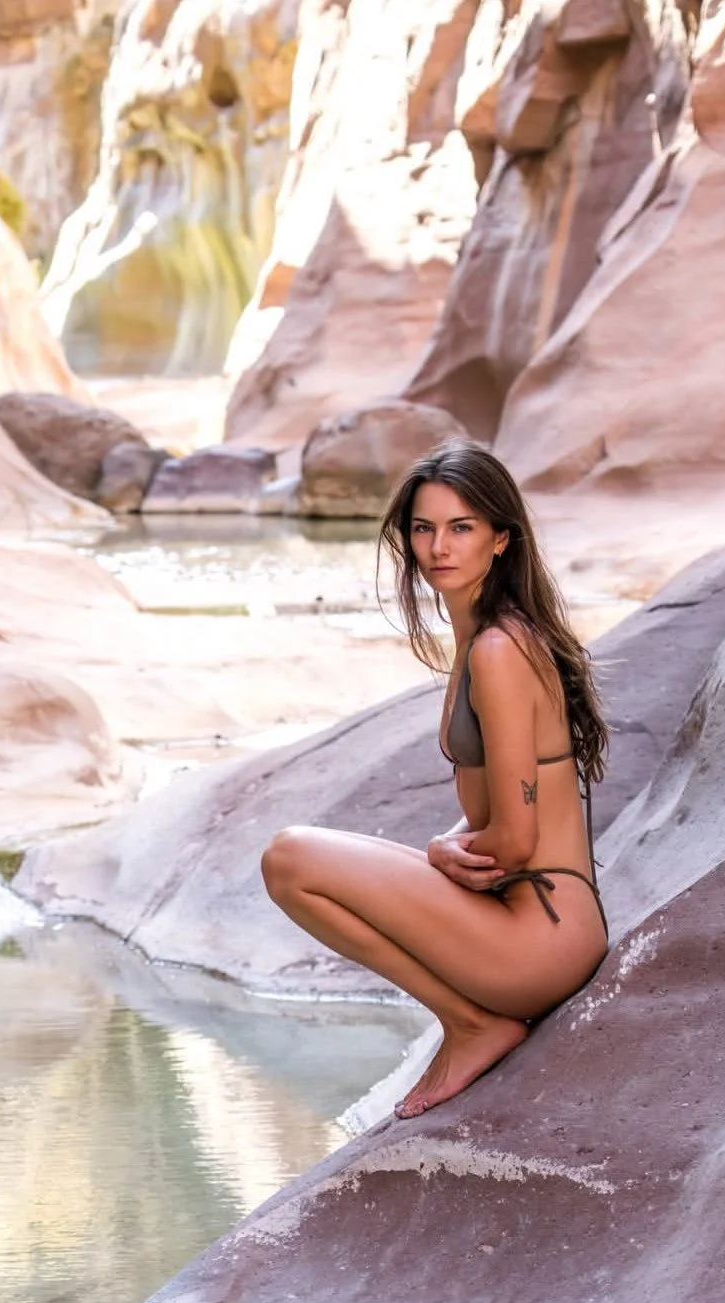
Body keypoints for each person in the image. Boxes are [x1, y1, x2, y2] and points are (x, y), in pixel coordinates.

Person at [261, 440, 610, 1118]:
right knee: (300, 860)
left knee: (290, 858)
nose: (438, 547)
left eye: (461, 527)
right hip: (533, 916)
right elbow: (502, 815)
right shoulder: (487, 635)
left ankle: (474, 1023)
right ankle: (470, 1019)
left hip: (541, 934)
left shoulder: (501, 650)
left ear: (501, 539)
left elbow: (513, 840)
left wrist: (440, 852)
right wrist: (449, 844)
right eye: (423, 528)